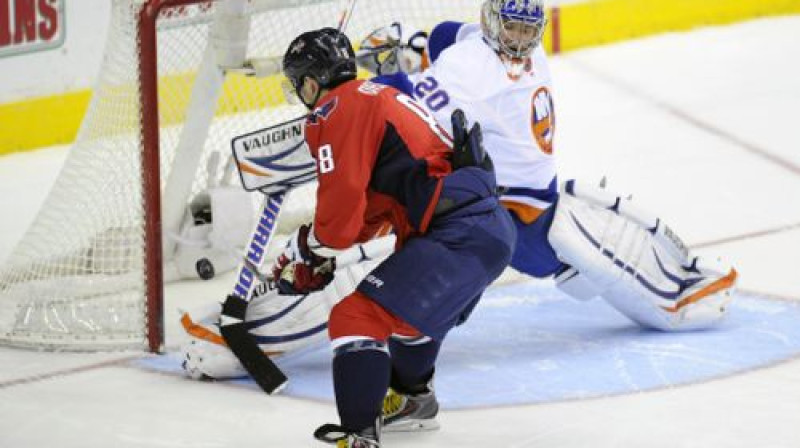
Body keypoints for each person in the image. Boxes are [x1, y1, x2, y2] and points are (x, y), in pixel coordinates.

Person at [272, 27, 515, 448]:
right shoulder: (379, 95)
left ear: (311, 82)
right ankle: (412, 401)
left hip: (455, 233)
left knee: (354, 316)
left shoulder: (335, 110)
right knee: (410, 318)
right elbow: (374, 215)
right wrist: (323, 258)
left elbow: (340, 220)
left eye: (301, 85)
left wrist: (306, 246)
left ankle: (360, 437)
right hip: (487, 230)